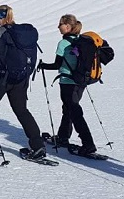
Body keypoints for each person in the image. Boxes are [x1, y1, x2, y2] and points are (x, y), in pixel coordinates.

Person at [0, 5, 47, 160]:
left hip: (0, 77)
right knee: (22, 110)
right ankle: (38, 146)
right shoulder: (21, 33)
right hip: (20, 79)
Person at [36, 14, 97, 156]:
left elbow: (57, 64)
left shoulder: (63, 43)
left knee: (75, 112)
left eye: (60, 25)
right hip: (80, 82)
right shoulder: (80, 40)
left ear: (68, 26)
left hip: (67, 82)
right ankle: (63, 136)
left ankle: (88, 144)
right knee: (69, 109)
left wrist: (43, 65)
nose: (58, 27)